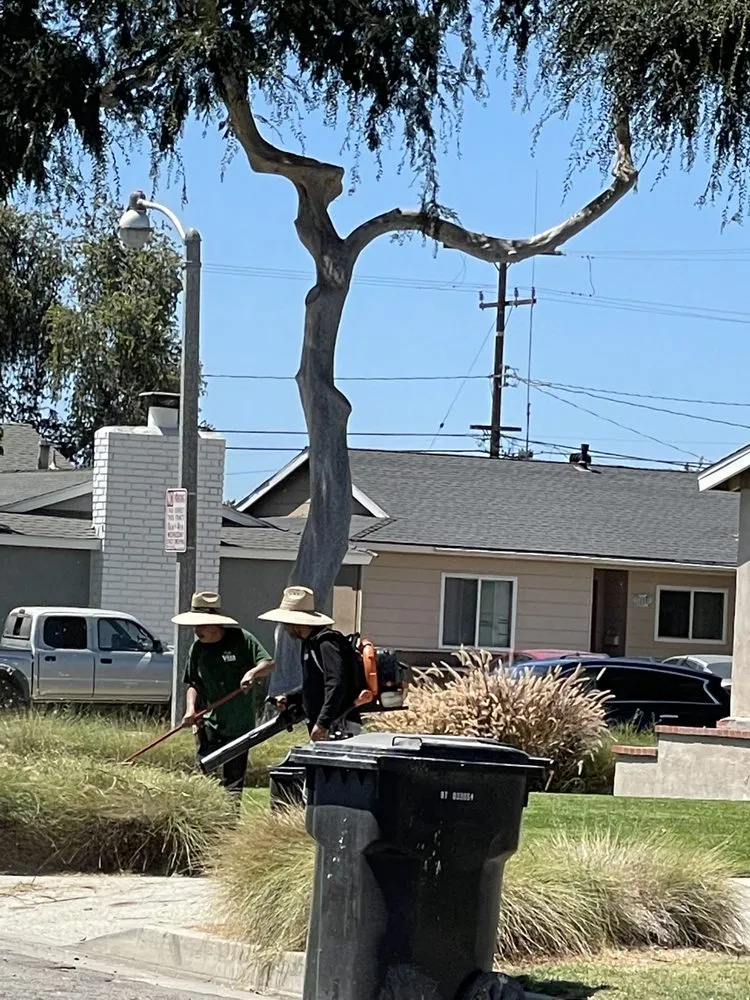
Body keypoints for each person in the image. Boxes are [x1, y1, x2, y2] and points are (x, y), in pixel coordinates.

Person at [173, 591, 275, 800]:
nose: (196, 631)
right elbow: (193, 684)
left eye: (201, 625)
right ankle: (204, 816)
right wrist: (190, 709)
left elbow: (268, 663)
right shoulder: (197, 649)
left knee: (233, 783)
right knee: (204, 778)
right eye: (195, 625)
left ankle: (230, 819)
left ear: (215, 624)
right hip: (208, 725)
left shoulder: (242, 639)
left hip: (239, 726)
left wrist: (252, 673)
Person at [259, 586, 361, 741]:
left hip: (338, 724)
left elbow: (336, 684)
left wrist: (323, 723)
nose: (285, 628)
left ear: (296, 622)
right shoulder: (309, 643)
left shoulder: (327, 643)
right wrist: (290, 697)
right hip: (326, 724)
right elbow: (315, 684)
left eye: (286, 623)